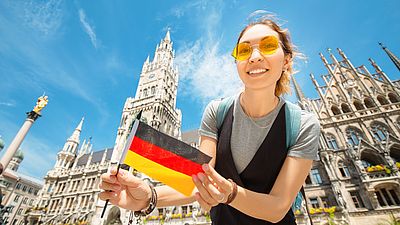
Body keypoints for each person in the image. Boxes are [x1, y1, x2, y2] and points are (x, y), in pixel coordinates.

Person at [99, 17, 320, 225]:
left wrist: (230, 194)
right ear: (237, 62)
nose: (254, 56)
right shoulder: (217, 111)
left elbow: (278, 206)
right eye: (244, 50)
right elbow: (197, 181)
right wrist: (149, 196)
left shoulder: (302, 124)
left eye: (268, 46)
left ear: (286, 60)